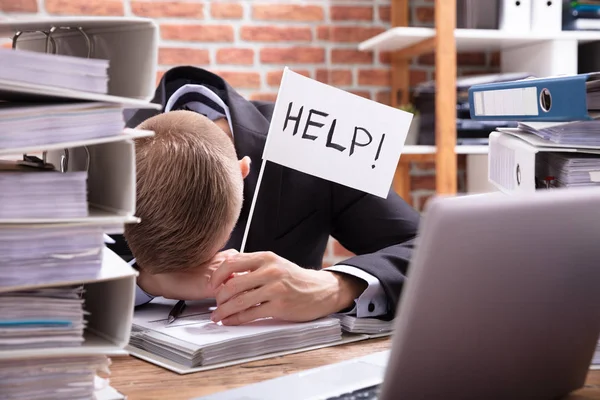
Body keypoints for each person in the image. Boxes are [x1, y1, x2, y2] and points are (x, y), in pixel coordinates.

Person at [108, 66, 420, 326]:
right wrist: (143, 280)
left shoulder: (312, 142)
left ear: (244, 171)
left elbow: (427, 247)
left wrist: (335, 287)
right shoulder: (92, 147)